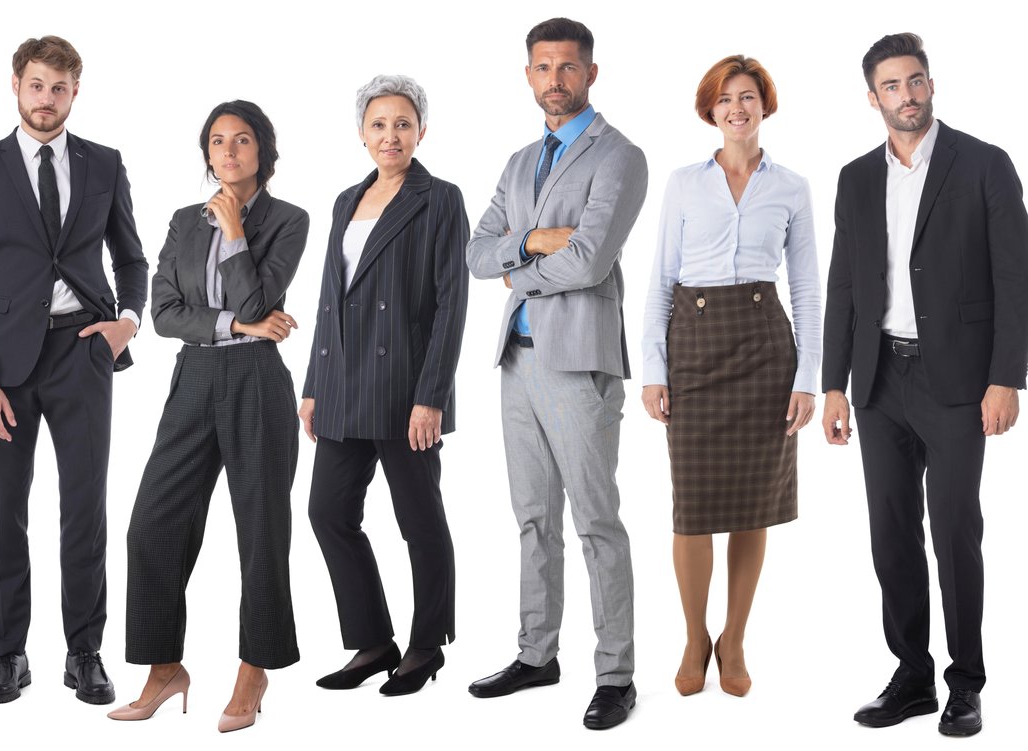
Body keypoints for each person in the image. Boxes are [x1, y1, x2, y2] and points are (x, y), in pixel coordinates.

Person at [823, 32, 1025, 737]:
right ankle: (911, 674)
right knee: (890, 535)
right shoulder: (855, 177)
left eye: (915, 82)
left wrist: (1006, 378)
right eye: (891, 86)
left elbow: (1014, 280)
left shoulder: (984, 164)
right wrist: (833, 384)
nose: (906, 96)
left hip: (960, 382)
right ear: (871, 97)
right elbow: (844, 283)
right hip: (878, 380)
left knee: (954, 529)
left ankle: (964, 683)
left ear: (930, 84)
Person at [0, 34, 147, 706]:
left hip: (84, 353)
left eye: (59, 88)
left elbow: (133, 259)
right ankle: (8, 654)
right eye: (37, 86)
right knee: (6, 512)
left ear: (75, 92)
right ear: (16, 85)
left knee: (84, 510)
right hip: (4, 366)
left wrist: (128, 321)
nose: (47, 100)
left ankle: (84, 652)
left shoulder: (104, 163)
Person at [462, 18, 649, 730]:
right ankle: (537, 653)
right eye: (543, 67)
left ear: (590, 74)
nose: (555, 80)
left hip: (579, 362)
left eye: (568, 67)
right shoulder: (518, 162)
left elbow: (593, 261)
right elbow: (477, 254)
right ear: (529, 75)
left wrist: (518, 269)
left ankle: (616, 673)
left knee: (596, 520)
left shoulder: (619, 157)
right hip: (517, 358)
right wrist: (535, 242)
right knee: (533, 519)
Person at [108, 100, 309, 732]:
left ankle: (255, 671)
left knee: (260, 531)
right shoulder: (181, 220)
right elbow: (165, 314)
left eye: (242, 140)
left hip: (257, 379)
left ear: (262, 152)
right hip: (194, 375)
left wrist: (236, 237)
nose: (228, 152)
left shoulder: (289, 219)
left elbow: (260, 296)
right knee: (153, 524)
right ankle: (164, 669)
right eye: (218, 141)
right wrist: (236, 322)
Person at [637, 55, 820, 699]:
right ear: (710, 111)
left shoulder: (792, 186)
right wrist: (653, 369)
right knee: (691, 509)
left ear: (764, 105)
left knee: (753, 506)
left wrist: (809, 378)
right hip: (694, 344)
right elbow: (660, 280)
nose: (736, 109)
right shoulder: (684, 183)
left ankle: (734, 637)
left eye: (747, 97)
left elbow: (805, 287)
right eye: (725, 100)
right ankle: (694, 636)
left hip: (765, 348)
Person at [301, 76, 468, 699]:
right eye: (378, 124)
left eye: (402, 123)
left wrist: (432, 396)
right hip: (343, 387)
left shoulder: (440, 199)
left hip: (406, 392)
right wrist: (314, 384)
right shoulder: (346, 199)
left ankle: (427, 646)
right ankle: (373, 643)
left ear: (421, 131)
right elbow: (328, 300)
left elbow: (451, 305)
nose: (389, 135)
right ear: (361, 133)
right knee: (327, 513)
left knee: (419, 520)